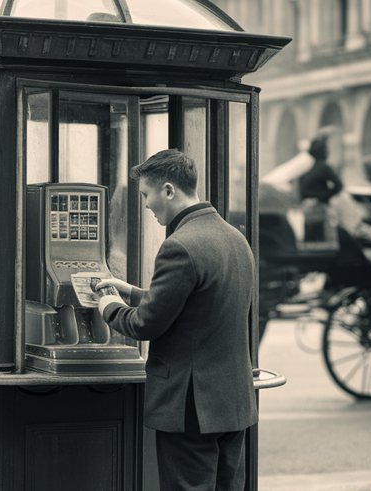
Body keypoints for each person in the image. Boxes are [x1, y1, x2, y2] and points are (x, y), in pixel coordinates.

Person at [95, 149, 257, 490]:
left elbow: (144, 325)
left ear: (168, 190)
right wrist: (134, 292)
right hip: (232, 403)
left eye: (146, 194)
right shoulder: (235, 239)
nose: (146, 205)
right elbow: (202, 305)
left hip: (191, 407)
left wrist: (109, 306)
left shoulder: (179, 245)